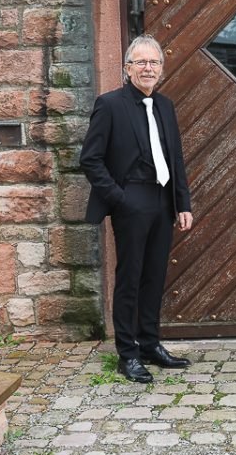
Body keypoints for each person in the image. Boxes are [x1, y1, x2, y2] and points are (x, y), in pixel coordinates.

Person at [80, 35, 193, 383]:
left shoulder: (166, 106)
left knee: (154, 276)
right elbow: (91, 158)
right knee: (130, 278)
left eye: (154, 63)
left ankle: (149, 343)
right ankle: (127, 354)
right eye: (141, 62)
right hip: (130, 200)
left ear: (161, 69)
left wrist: (182, 203)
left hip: (162, 202)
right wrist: (118, 197)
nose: (148, 68)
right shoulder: (110, 104)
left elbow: (175, 158)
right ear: (128, 68)